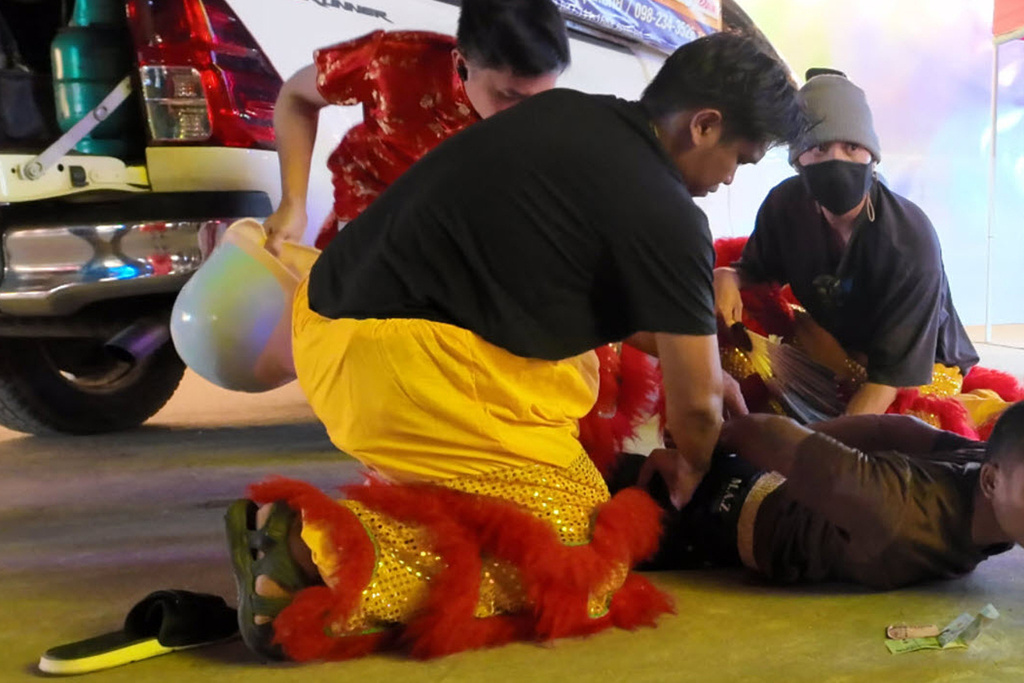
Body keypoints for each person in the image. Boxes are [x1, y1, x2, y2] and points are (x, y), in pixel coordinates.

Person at [225, 32, 806, 662]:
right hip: (401, 366)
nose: (727, 183)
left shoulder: (574, 116)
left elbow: (589, 298)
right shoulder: (667, 208)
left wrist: (697, 362)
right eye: (738, 162)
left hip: (327, 322)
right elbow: (696, 413)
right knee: (583, 553)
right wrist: (691, 465)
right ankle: (320, 552)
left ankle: (418, 492)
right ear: (705, 125)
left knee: (553, 438)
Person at [713, 68, 983, 418]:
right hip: (842, 353)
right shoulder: (786, 205)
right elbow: (756, 269)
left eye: (851, 147)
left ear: (872, 157)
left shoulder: (909, 238)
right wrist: (727, 276)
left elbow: (889, 379)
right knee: (735, 360)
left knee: (911, 428)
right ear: (798, 160)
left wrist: (831, 449)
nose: (836, 160)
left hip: (919, 368)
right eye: (819, 147)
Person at [263, 0, 570, 254]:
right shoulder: (393, 64)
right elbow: (297, 99)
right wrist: (293, 203)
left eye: (539, 99)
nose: (526, 115)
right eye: (509, 95)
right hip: (368, 227)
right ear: (461, 63)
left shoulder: (547, 118)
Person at [611, 403, 1023, 589]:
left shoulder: (985, 464)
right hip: (704, 510)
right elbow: (769, 434)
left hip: (766, 485)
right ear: (990, 481)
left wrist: (813, 441)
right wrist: (701, 446)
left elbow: (902, 430)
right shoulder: (899, 509)